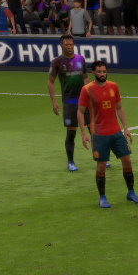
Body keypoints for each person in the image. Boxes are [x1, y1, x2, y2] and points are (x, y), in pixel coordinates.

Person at [77, 60, 138, 208]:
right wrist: (83, 133)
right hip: (99, 133)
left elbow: (119, 107)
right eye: (99, 72)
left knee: (127, 161)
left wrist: (125, 127)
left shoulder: (113, 86)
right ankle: (102, 197)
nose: (102, 74)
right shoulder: (87, 89)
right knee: (101, 166)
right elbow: (80, 112)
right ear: (93, 73)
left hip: (116, 132)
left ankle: (131, 192)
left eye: (104, 71)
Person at [47, 34, 89, 172]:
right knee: (71, 133)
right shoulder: (57, 62)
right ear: (61, 45)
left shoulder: (80, 59)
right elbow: (50, 82)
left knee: (93, 130)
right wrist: (54, 101)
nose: (70, 47)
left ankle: (99, 157)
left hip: (83, 102)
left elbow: (86, 77)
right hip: (69, 102)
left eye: (71, 44)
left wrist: (89, 93)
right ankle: (70, 162)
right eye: (67, 45)